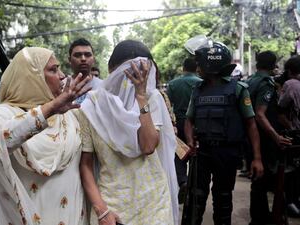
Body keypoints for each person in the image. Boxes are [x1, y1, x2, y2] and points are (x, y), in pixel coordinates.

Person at [0, 47, 91, 225]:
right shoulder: (5, 112)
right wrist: (49, 109)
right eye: (53, 70)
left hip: (75, 216)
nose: (62, 75)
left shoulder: (68, 113)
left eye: (59, 68)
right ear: (32, 76)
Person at [79, 40, 179, 225]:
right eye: (129, 72)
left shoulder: (151, 99)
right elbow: (85, 164)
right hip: (112, 207)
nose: (135, 79)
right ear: (111, 70)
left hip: (154, 204)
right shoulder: (91, 107)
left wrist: (141, 98)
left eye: (142, 73)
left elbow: (148, 145)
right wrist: (101, 210)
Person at [184, 39, 264, 225]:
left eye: (199, 64)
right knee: (194, 201)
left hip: (227, 153)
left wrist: (257, 158)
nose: (197, 68)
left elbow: (251, 124)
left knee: (223, 200)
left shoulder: (237, 89)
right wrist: (189, 141)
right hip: (202, 153)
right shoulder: (197, 90)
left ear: (209, 64)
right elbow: (189, 120)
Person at [246, 51, 292, 225]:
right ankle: (261, 219)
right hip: (264, 139)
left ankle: (260, 217)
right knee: (263, 180)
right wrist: (276, 137)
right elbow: (260, 114)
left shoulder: (249, 81)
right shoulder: (266, 83)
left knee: (258, 179)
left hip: (250, 138)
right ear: (273, 66)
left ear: (257, 64)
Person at [167, 57, 202, 203]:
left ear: (183, 68)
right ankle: (196, 187)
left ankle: (183, 182)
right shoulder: (202, 83)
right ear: (197, 68)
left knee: (179, 156)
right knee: (198, 155)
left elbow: (168, 106)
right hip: (199, 124)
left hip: (180, 123)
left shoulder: (173, 84)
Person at [278, 56, 300, 217]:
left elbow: (281, 107)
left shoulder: (291, 84)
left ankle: (291, 203)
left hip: (296, 134)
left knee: (292, 171)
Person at [69, 38, 102, 104]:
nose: (83, 59)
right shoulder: (61, 86)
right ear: (69, 60)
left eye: (87, 55)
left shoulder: (103, 86)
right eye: (77, 55)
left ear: (93, 60)